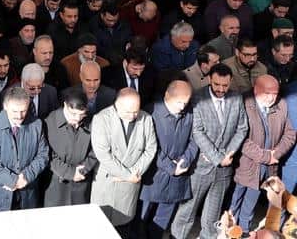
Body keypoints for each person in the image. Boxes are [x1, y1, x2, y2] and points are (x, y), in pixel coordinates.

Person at [171, 63, 250, 239]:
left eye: (225, 85)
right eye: (217, 84)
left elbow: (242, 128)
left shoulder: (236, 98)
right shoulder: (198, 98)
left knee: (213, 215)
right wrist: (217, 157)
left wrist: (228, 154)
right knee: (187, 211)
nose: (221, 89)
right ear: (209, 80)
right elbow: (197, 131)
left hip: (224, 168)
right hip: (201, 166)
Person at [230, 75, 296, 234]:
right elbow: (241, 138)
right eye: (267, 93)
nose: (271, 98)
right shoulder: (244, 104)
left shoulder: (281, 105)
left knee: (251, 201)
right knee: (235, 201)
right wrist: (266, 156)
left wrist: (276, 154)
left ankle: (244, 231)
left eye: (275, 93)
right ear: (256, 91)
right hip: (247, 165)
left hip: (268, 167)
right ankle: (230, 232)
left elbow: (290, 134)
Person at [90, 88, 157, 234]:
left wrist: (134, 172)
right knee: (101, 228)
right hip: (107, 183)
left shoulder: (146, 119)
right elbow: (103, 154)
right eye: (128, 112)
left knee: (124, 227)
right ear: (116, 105)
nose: (133, 115)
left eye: (136, 111)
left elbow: (150, 149)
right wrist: (127, 175)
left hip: (130, 185)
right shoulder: (101, 119)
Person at [139, 80, 197, 239]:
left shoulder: (190, 112)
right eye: (178, 102)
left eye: (185, 102)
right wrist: (171, 167)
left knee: (163, 221)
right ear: (167, 95)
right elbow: (149, 146)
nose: (182, 107)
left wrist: (185, 160)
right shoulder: (150, 112)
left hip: (177, 177)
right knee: (142, 220)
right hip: (153, 178)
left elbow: (195, 139)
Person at [0, 86, 49, 212]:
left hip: (27, 195)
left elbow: (43, 155)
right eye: (14, 111)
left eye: (23, 111)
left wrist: (26, 177)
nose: (19, 116)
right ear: (5, 106)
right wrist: (12, 180)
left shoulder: (36, 125)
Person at [43, 87, 97, 207]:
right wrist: (70, 172)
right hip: (56, 185)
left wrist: (83, 169)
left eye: (82, 115)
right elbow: (47, 155)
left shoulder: (92, 121)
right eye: (73, 114)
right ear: (65, 106)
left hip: (82, 183)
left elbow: (96, 150)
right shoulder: (49, 123)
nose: (77, 119)